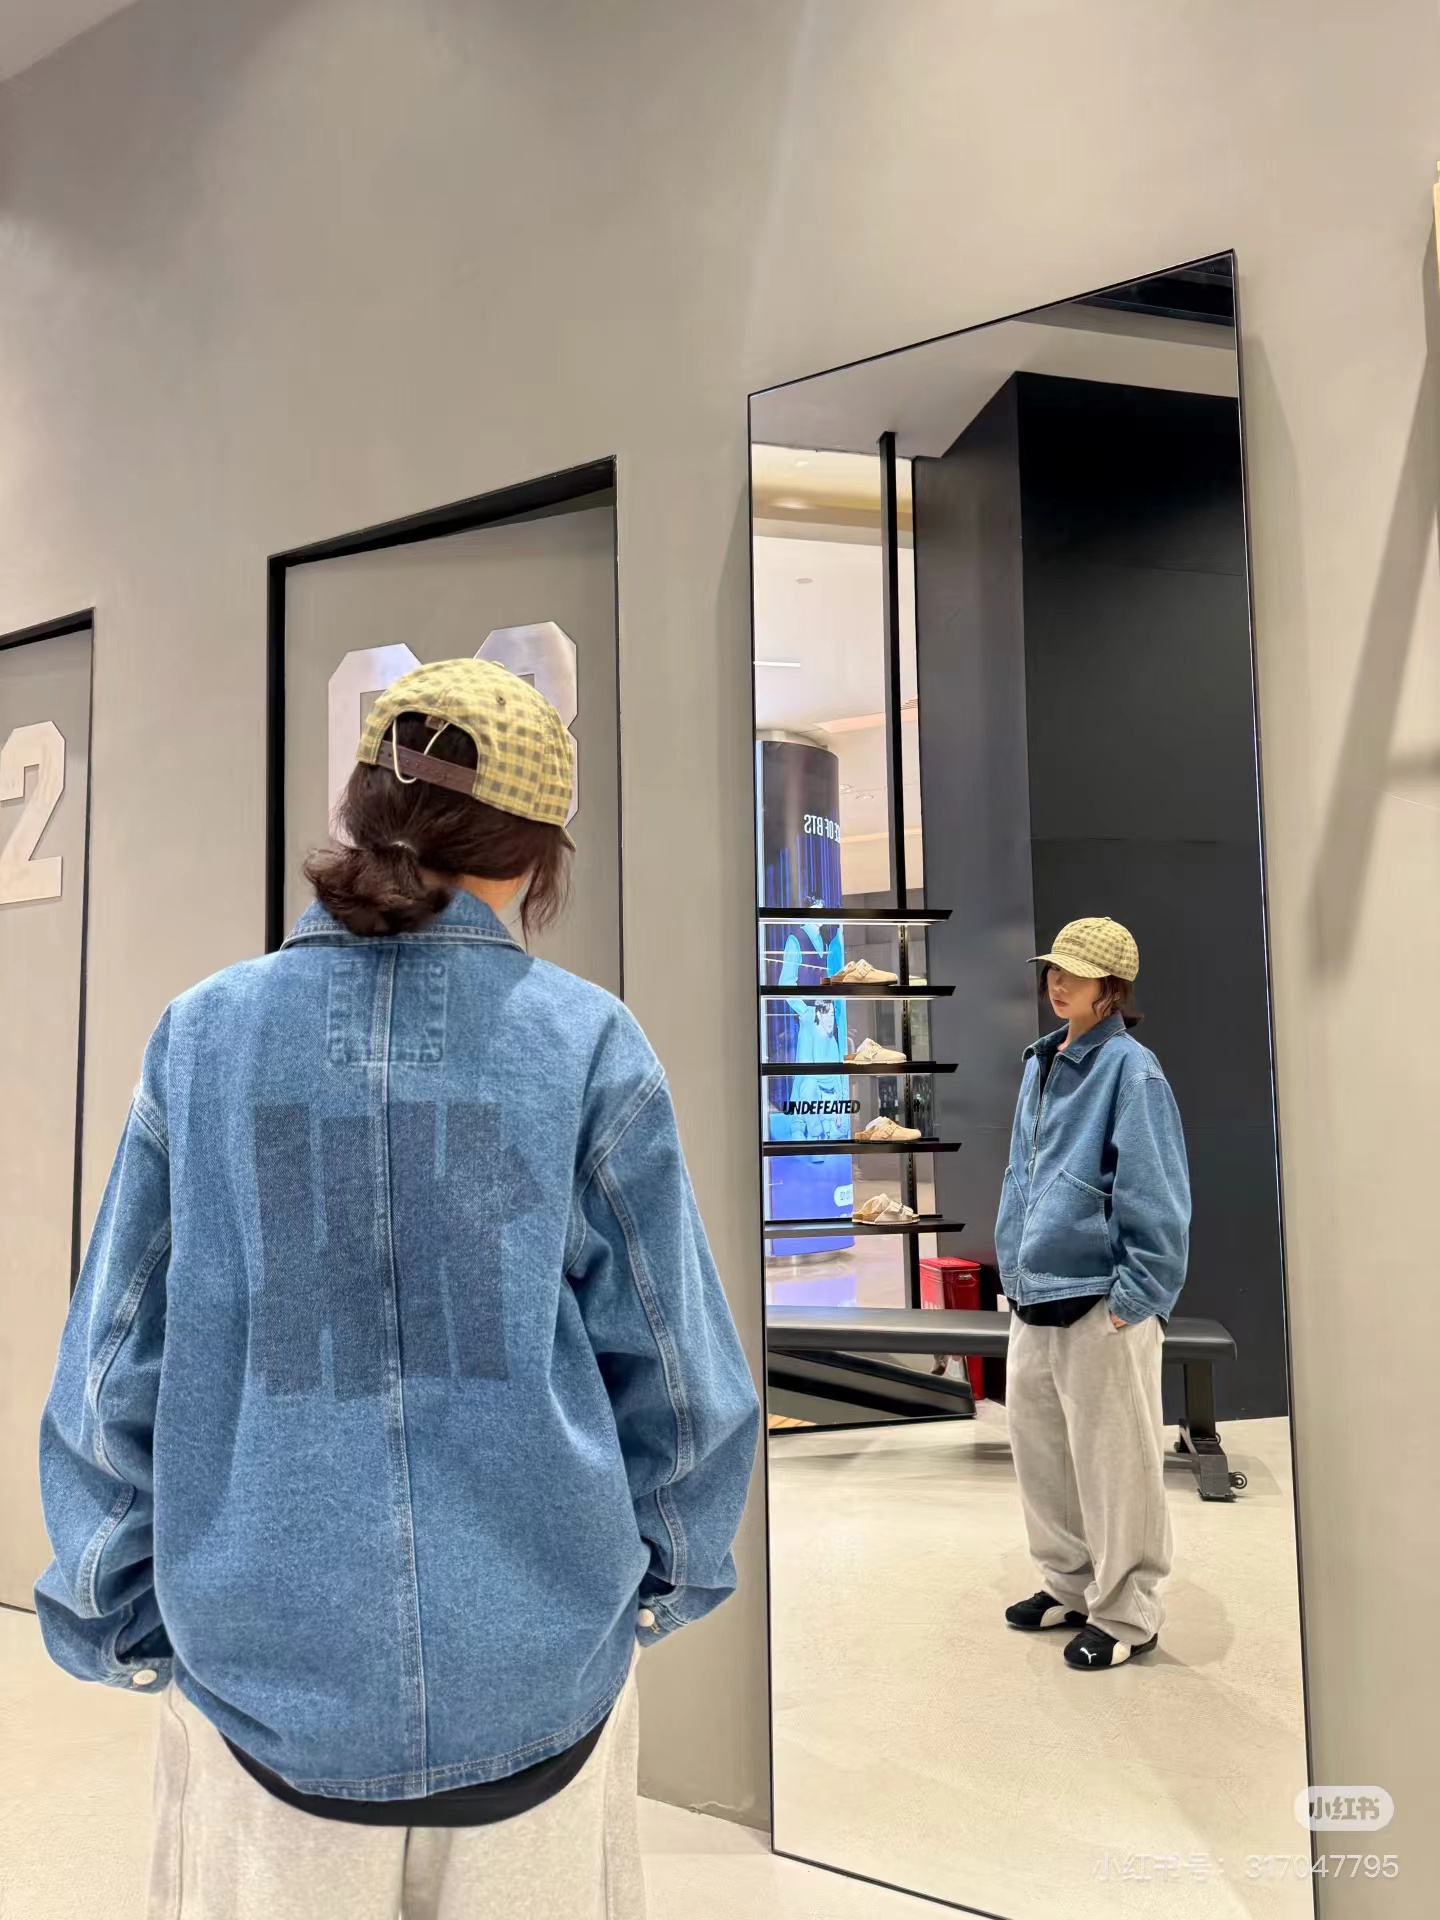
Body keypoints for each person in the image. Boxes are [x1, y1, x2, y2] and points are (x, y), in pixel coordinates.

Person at [35, 658, 759, 1919]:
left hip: (260, 1684)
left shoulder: (203, 1035)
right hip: (539, 1674)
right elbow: (682, 1376)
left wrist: (112, 1600)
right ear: (537, 852)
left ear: (363, 809)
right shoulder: (587, 1043)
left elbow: (112, 1361)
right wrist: (667, 1574)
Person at [995, 916, 1190, 1673]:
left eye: (1075, 972)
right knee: (1042, 1456)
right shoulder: (1041, 1061)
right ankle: (1069, 1586)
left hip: (1100, 1302)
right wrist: (1014, 1271)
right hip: (1035, 1295)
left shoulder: (1133, 1071)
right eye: (1054, 968)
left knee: (1118, 1468)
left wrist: (1134, 1301)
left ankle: (1127, 1612)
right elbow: (1024, 1176)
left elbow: (1158, 1196)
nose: (1058, 981)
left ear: (1111, 988)